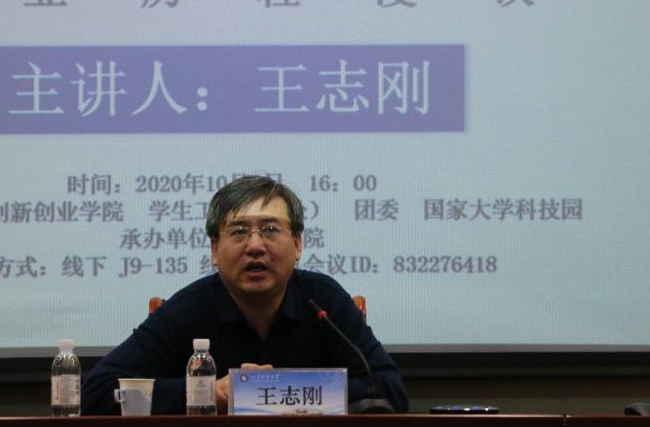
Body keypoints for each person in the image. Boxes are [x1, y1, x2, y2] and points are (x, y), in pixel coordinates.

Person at [81, 175, 407, 414]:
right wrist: (208, 392)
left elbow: (389, 389)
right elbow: (97, 391)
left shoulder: (323, 301)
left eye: (270, 229)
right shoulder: (190, 307)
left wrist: (283, 391)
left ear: (297, 244)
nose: (255, 246)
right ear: (214, 249)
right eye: (238, 231)